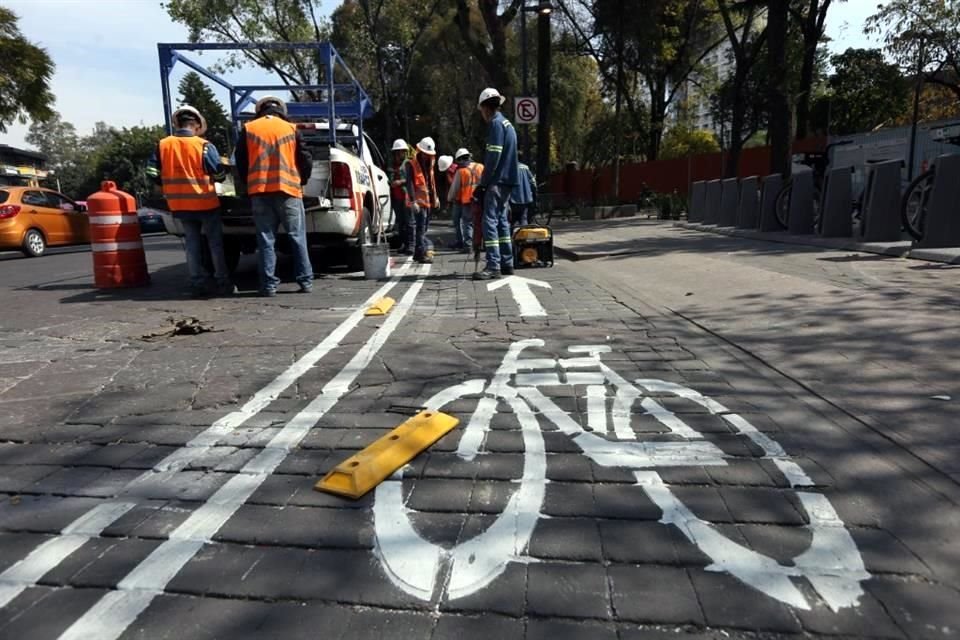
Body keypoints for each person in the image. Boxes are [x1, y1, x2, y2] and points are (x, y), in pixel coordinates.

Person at [147, 105, 234, 298]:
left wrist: (164, 184)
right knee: (215, 245)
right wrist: (220, 177)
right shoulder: (204, 145)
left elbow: (151, 171)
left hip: (179, 204)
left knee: (192, 245)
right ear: (196, 125)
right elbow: (218, 173)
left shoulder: (163, 145)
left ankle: (197, 283)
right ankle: (223, 282)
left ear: (177, 124)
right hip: (205, 203)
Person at [235, 96, 314, 297]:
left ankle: (269, 286)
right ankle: (305, 281)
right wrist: (302, 180)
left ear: (259, 111)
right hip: (288, 190)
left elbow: (241, 161)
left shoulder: (249, 129)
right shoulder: (291, 129)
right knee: (297, 237)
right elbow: (305, 158)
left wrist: (248, 183)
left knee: (266, 240)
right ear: (281, 111)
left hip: (260, 191)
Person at [473, 87, 519, 280]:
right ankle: (507, 262)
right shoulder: (508, 124)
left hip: (497, 181)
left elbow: (493, 156)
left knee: (489, 221)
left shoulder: (495, 124)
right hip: (508, 181)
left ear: (485, 108)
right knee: (501, 221)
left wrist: (483, 183)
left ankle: (493, 265)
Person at [403, 137, 440, 264]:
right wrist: (413, 201)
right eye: (425, 153)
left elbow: (431, 181)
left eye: (429, 154)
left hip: (427, 201)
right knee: (420, 229)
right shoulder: (411, 164)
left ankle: (418, 253)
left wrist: (435, 197)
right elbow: (409, 184)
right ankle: (422, 253)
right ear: (420, 151)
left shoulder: (431, 162)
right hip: (418, 202)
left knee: (423, 229)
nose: (427, 156)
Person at [447, 148, 483, 252]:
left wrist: (450, 198)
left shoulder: (461, 171)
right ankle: (482, 245)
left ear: (460, 159)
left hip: (468, 201)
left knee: (468, 223)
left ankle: (468, 246)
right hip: (481, 200)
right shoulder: (480, 166)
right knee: (481, 222)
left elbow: (454, 188)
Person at [390, 139, 413, 255]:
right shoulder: (393, 165)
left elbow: (411, 179)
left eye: (401, 151)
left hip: (406, 196)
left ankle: (410, 245)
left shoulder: (408, 164)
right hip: (396, 198)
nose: (399, 154)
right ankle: (404, 244)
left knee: (409, 222)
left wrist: (400, 182)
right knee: (401, 223)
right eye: (397, 152)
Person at [510, 160, 537, 228]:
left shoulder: (509, 167)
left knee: (510, 220)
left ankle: (510, 233)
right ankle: (523, 233)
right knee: (523, 219)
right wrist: (533, 194)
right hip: (526, 198)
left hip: (512, 199)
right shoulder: (525, 167)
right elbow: (533, 182)